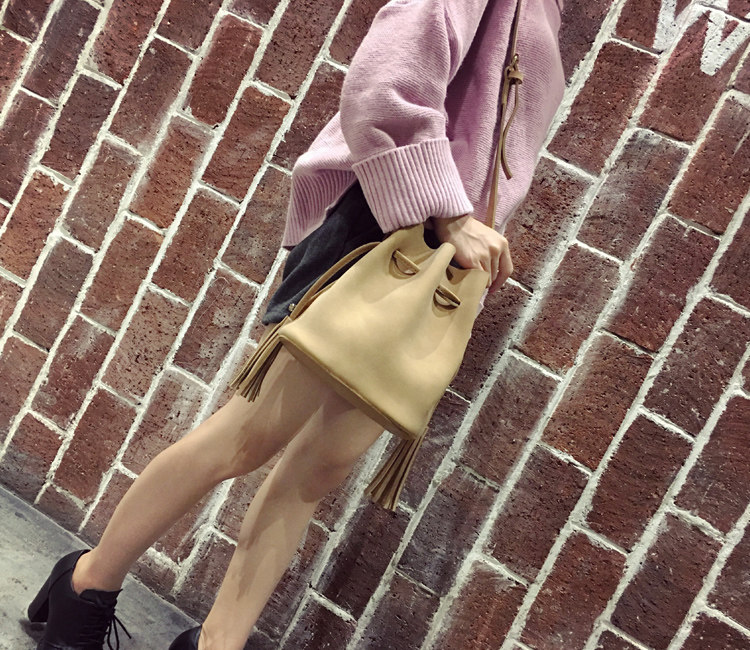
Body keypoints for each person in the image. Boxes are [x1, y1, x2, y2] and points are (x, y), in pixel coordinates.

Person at [27, 0, 565, 648]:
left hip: (441, 270)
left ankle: (217, 644)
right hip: (386, 226)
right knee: (247, 437)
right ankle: (85, 585)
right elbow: (386, 80)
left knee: (320, 470)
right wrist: (448, 212)